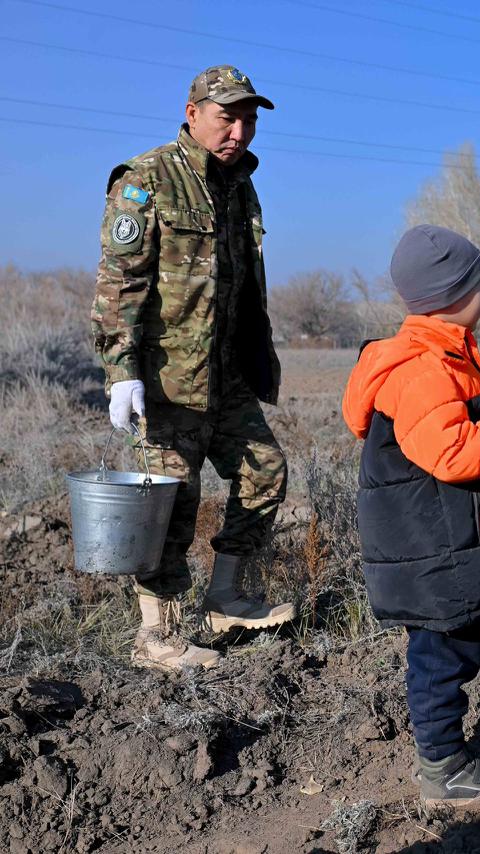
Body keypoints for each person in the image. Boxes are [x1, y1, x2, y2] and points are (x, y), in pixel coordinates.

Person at [342, 225, 480, 806]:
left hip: (437, 545)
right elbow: (455, 455)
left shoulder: (443, 353)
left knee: (446, 653)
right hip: (434, 554)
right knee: (441, 659)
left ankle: (445, 757)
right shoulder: (424, 371)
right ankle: (444, 771)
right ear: (454, 297)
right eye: (479, 283)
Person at [91, 65, 294, 671]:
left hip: (226, 375)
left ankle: (225, 597)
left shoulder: (240, 187)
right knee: (170, 503)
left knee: (264, 470)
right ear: (192, 113)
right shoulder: (145, 180)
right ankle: (156, 637)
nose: (239, 131)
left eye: (249, 120)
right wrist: (122, 370)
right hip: (167, 381)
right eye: (227, 117)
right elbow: (119, 284)